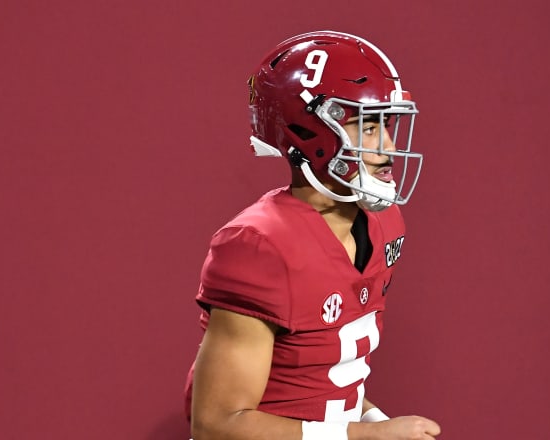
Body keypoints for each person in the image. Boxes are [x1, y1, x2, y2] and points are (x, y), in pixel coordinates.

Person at [185, 30, 441, 440]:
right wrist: (369, 437)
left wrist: (377, 422)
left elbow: (327, 374)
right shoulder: (260, 245)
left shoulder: (383, 222)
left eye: (387, 124)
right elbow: (216, 425)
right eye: (368, 127)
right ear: (311, 132)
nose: (389, 146)